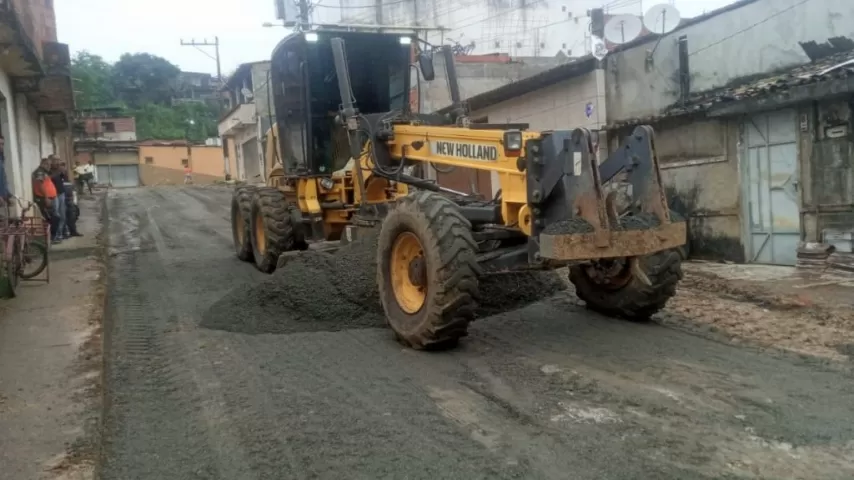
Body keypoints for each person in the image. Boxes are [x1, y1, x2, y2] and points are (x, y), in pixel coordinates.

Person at [32, 158, 58, 243]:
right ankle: (49, 238)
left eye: (50, 165)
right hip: (43, 199)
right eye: (47, 164)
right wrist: (46, 197)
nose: (49, 166)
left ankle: (51, 238)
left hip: (50, 198)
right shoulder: (40, 172)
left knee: (52, 218)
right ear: (43, 164)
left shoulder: (45, 172)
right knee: (49, 219)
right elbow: (40, 185)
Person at [49, 156, 68, 243]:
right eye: (55, 160)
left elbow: (65, 178)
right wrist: (58, 172)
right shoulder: (49, 170)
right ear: (51, 161)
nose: (57, 162)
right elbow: (48, 179)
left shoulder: (59, 170)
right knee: (56, 215)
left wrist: (63, 170)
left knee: (62, 215)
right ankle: (55, 235)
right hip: (54, 195)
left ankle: (60, 234)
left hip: (61, 193)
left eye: (58, 160)